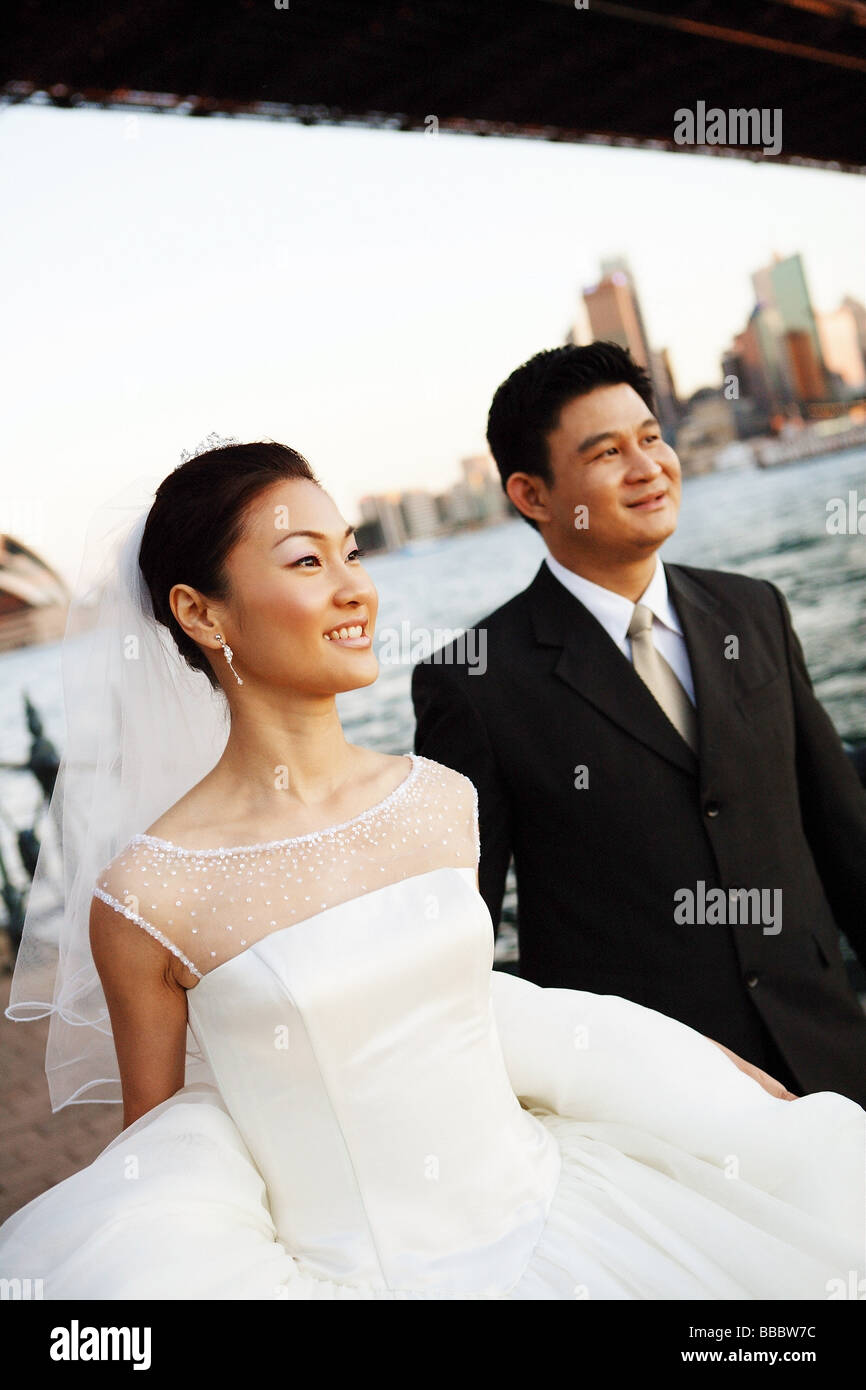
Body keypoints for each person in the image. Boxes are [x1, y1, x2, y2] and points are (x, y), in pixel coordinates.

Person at [0, 439, 862, 1301]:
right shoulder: (150, 896)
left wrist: (695, 1073)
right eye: (306, 561)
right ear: (200, 614)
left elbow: (471, 1008)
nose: (354, 589)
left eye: (353, 551)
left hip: (576, 1229)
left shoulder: (437, 801)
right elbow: (162, 1161)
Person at [412, 343, 866, 1107]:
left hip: (829, 1058)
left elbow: (841, 831)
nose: (648, 466)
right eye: (608, 452)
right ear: (532, 495)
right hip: (646, 1106)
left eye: (652, 438)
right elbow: (464, 942)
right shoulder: (473, 684)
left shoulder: (753, 609)